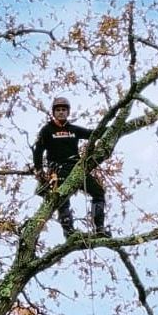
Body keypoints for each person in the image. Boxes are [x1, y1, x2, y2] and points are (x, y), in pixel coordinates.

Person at [31, 96, 109, 237]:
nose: (61, 112)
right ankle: (69, 231)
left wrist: (113, 128)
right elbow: (38, 151)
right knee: (62, 197)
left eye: (64, 110)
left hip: (76, 168)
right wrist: (38, 169)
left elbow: (94, 134)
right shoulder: (47, 130)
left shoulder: (73, 130)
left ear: (68, 112)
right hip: (58, 169)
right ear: (53, 112)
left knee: (98, 192)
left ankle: (99, 229)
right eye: (58, 110)